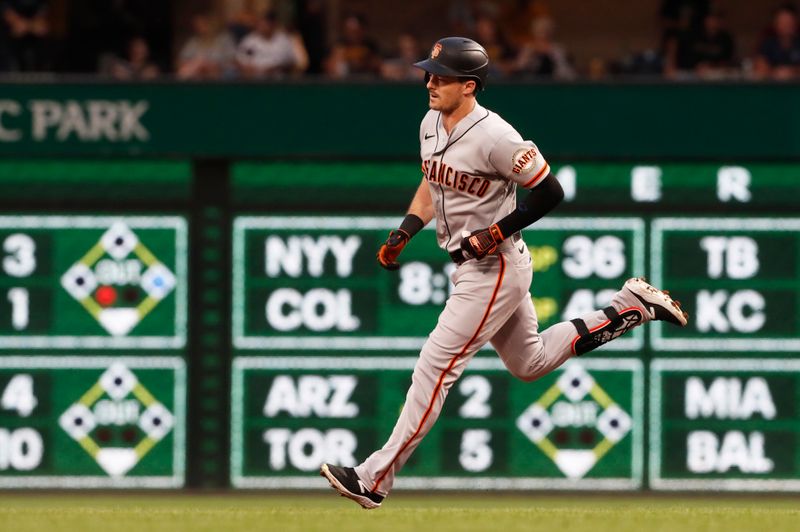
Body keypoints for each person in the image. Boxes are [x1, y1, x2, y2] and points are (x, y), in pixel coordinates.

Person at [320, 36, 689, 510]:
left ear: (469, 85)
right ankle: (629, 309)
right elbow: (434, 183)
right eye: (429, 72)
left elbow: (550, 193)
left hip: (493, 267)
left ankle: (374, 477)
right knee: (528, 363)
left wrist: (495, 232)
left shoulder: (497, 137)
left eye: (442, 76)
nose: (430, 81)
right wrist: (406, 229)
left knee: (434, 367)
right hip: (473, 266)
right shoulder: (431, 122)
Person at [235, 10, 306, 79]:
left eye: (265, 24)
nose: (261, 26)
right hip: (254, 82)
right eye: (259, 24)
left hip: (279, 82)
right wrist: (249, 69)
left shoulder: (285, 40)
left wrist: (278, 68)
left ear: (273, 24)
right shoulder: (249, 40)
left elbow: (296, 63)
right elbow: (239, 60)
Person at [176, 12, 237, 80]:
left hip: (220, 75)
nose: (199, 28)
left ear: (211, 24)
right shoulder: (194, 41)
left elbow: (232, 61)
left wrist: (211, 66)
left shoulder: (224, 39)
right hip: (197, 75)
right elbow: (181, 61)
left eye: (202, 24)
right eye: (197, 25)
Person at [754, 4, 800, 80]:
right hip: (772, 88)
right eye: (782, 21)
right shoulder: (768, 43)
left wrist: (792, 71)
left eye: (788, 21)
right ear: (775, 23)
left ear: (795, 22)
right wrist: (775, 72)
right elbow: (759, 67)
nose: (785, 25)